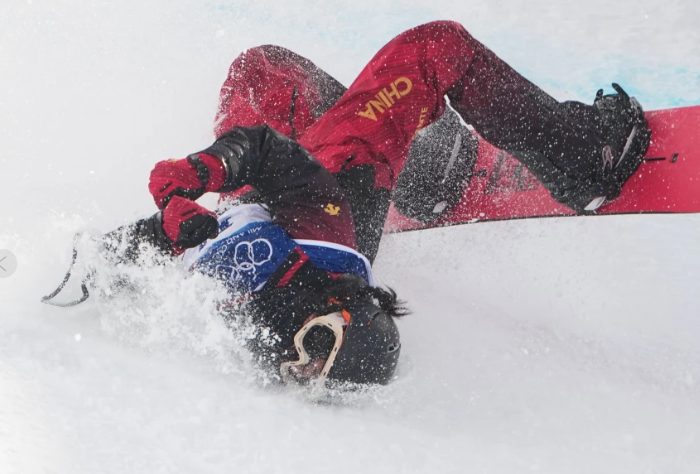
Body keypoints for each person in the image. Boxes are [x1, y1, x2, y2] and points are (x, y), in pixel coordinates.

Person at [99, 21, 650, 388]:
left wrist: (149, 225)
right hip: (335, 175)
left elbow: (135, 253)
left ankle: (430, 167)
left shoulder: (248, 322)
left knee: (261, 70)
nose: (300, 361)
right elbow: (264, 152)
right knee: (438, 48)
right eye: (316, 349)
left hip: (261, 195)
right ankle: (586, 160)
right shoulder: (321, 235)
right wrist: (198, 173)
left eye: (306, 359)